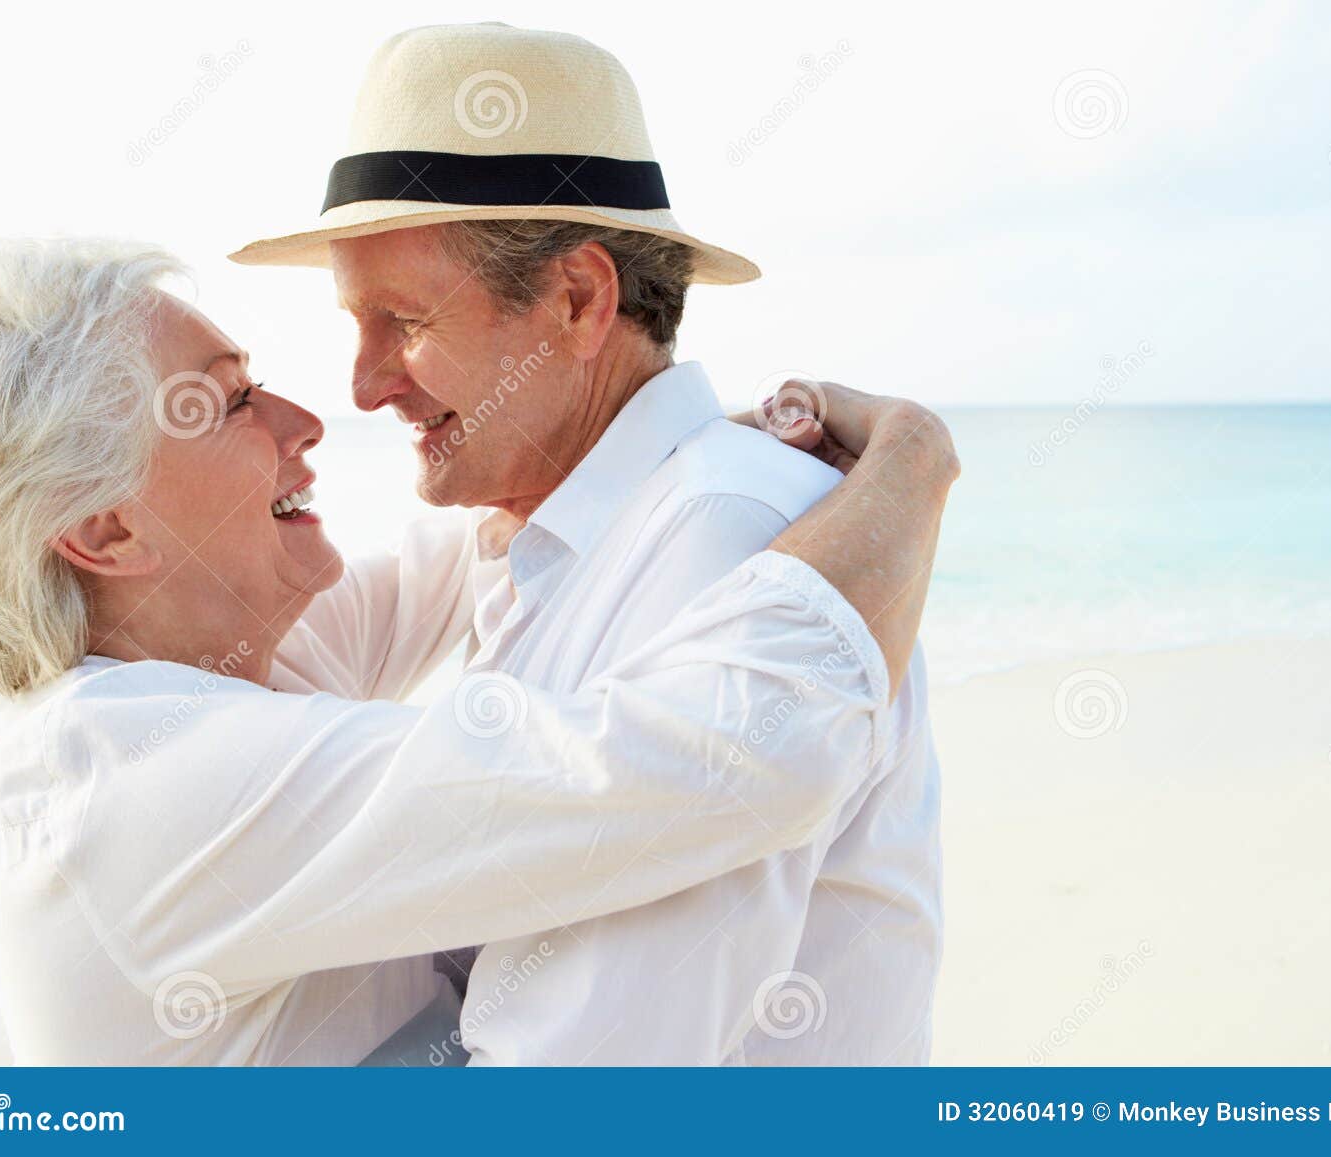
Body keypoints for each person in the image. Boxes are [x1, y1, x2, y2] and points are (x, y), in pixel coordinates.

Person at [0, 237, 958, 1064]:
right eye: (230, 401)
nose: (310, 415)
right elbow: (713, 760)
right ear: (107, 531)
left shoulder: (212, 660)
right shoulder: (135, 779)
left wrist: (644, 439)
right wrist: (909, 465)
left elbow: (492, 534)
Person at [230, 22, 949, 1063]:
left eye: (402, 318)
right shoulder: (557, 532)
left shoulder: (727, 530)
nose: (364, 383)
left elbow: (581, 1068)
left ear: (576, 298)